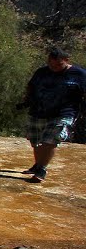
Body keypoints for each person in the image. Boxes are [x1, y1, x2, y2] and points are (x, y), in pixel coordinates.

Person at [23, 47, 86, 183]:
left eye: (58, 65)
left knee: (51, 140)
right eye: (51, 64)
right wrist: (27, 99)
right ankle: (37, 165)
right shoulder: (42, 72)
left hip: (64, 112)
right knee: (36, 141)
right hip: (39, 111)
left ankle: (42, 169)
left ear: (67, 60)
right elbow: (31, 86)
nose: (54, 68)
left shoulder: (79, 74)